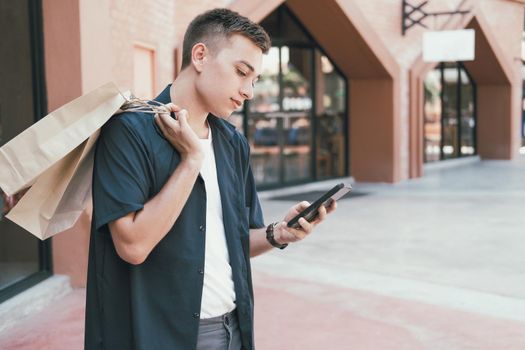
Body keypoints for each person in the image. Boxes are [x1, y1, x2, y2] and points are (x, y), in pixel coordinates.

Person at [85, 8, 336, 350]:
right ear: (200, 55)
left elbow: (235, 242)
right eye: (241, 72)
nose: (248, 90)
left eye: (255, 80)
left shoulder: (233, 144)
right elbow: (132, 246)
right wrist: (191, 161)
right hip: (162, 334)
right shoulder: (129, 132)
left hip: (234, 327)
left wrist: (280, 234)